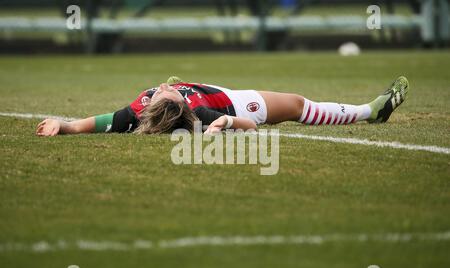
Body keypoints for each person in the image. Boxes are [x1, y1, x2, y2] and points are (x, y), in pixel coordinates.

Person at [35, 76, 409, 136]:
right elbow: (251, 128)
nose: (165, 86)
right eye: (170, 92)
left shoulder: (136, 110)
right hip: (236, 103)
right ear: (181, 104)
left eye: (161, 90)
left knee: (295, 104)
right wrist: (227, 123)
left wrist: (61, 124)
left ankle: (368, 111)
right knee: (296, 105)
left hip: (224, 101)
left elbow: (91, 124)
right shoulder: (199, 113)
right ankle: (369, 111)